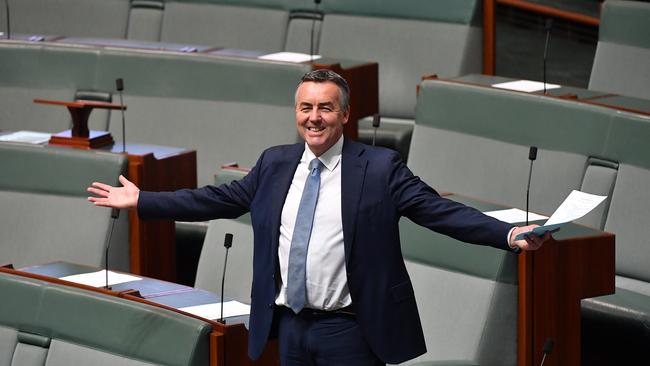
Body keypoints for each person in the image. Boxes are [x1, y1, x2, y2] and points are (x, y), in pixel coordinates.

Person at [88, 69, 551, 366]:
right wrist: (144, 201)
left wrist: (507, 233)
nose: (314, 118)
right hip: (289, 326)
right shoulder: (275, 163)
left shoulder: (379, 169)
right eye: (306, 108)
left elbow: (439, 212)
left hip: (349, 330)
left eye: (325, 108)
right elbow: (217, 199)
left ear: (344, 115)